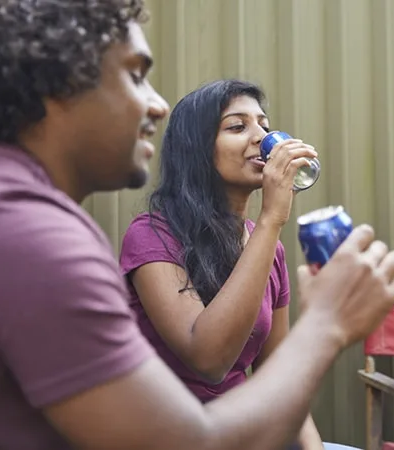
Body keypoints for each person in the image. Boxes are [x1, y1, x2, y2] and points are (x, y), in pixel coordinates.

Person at [0, 1, 394, 449]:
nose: (158, 104)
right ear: (56, 87)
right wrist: (328, 325)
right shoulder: (22, 234)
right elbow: (189, 437)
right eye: (135, 75)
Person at [118, 79, 355, 450]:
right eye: (237, 126)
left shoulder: (266, 246)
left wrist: (313, 448)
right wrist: (272, 219)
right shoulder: (151, 234)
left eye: (263, 124)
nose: (262, 137)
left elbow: (278, 377)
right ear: (196, 150)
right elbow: (208, 359)